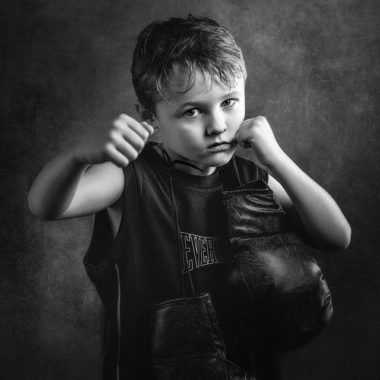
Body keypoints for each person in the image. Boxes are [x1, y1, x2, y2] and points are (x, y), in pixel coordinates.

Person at [28, 15, 351, 380]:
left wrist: (276, 158)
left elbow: (336, 236)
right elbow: (45, 207)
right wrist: (78, 157)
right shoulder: (130, 175)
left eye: (229, 101)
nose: (217, 125)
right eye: (192, 111)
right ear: (149, 116)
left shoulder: (249, 179)